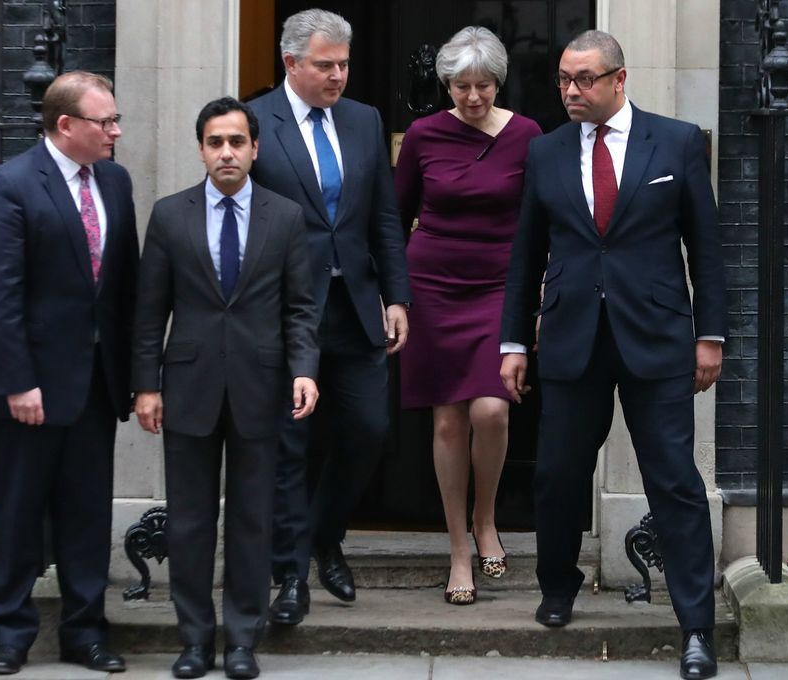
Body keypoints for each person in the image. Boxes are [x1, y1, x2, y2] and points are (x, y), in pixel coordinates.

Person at [498, 30, 726, 680]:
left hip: (656, 338)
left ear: (619, 80)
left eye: (585, 80)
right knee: (558, 475)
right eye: (565, 80)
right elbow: (525, 257)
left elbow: (705, 250)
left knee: (674, 481)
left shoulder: (678, 143)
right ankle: (557, 587)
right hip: (572, 338)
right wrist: (514, 341)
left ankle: (696, 627)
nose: (571, 90)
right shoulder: (544, 153)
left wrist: (711, 335)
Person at [132, 96, 321, 680]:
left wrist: (304, 368)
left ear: (254, 148)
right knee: (188, 522)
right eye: (215, 142)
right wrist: (145, 386)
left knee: (250, 520)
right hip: (187, 386)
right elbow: (148, 311)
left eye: (237, 141)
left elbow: (301, 308)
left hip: (260, 388)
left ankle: (242, 638)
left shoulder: (285, 217)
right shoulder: (169, 215)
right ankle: (193, 639)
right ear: (201, 150)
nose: (227, 152)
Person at [0, 71, 139, 676]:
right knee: (18, 512)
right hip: (29, 386)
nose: (116, 131)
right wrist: (18, 380)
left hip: (95, 381)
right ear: (65, 126)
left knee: (87, 514)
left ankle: (85, 632)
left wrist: (135, 374)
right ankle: (8, 634)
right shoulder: (9, 185)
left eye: (116, 120)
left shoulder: (115, 183)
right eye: (105, 122)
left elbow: (123, 288)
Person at [248, 8, 411, 624]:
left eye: (343, 63)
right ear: (291, 63)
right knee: (289, 445)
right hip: (286, 313)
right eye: (325, 65)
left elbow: (384, 219)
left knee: (369, 430)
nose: (338, 74)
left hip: (356, 308)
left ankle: (324, 535)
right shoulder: (255, 121)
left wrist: (396, 296)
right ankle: (290, 575)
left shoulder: (364, 120)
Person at [393, 26, 542, 605]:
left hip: (502, 286)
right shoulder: (426, 135)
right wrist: (395, 296)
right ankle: (459, 548)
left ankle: (486, 519)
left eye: (482, 86)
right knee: (448, 420)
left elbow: (543, 221)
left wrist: (538, 296)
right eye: (461, 86)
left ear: (498, 83)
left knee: (492, 410)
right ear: (446, 84)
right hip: (432, 285)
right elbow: (396, 212)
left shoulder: (528, 135)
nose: (473, 97)